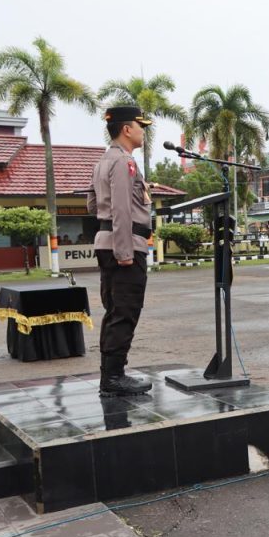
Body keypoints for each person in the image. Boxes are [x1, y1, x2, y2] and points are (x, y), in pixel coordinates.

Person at [86, 105, 154, 397]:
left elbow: (93, 203)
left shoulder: (103, 161)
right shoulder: (125, 162)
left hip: (106, 240)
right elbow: (122, 208)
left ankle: (111, 376)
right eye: (141, 126)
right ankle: (114, 378)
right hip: (124, 246)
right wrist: (125, 252)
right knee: (125, 311)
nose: (143, 132)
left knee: (114, 311)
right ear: (127, 129)